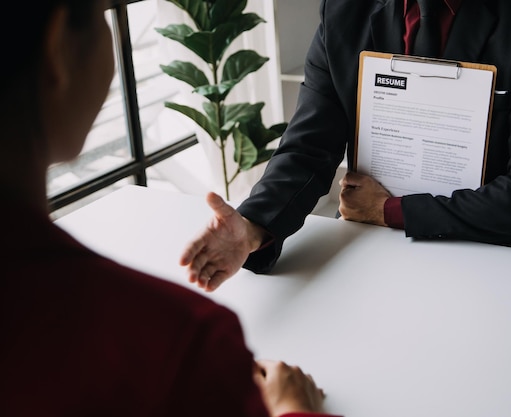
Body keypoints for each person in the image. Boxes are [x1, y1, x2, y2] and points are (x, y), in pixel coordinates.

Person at [0, 1, 338, 416]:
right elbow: (312, 141)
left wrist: (251, 230)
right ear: (59, 48)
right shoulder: (174, 342)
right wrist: (292, 409)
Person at [181, 0, 511, 291]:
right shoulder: (343, 12)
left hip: (495, 258)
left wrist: (388, 210)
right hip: (374, 252)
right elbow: (308, 145)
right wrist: (252, 228)